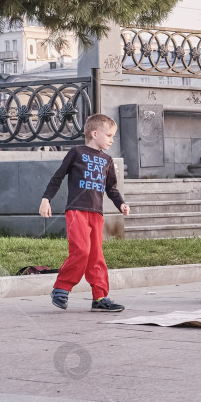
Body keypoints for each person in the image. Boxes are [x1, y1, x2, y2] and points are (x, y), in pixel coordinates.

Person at [40, 113, 130, 312]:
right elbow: (58, 176)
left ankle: (100, 297)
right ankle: (61, 287)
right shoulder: (77, 152)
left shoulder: (107, 160)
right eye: (109, 135)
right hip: (76, 211)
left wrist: (121, 204)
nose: (112, 140)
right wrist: (46, 199)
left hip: (96, 214)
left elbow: (111, 189)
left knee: (96, 255)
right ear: (95, 133)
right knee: (81, 250)